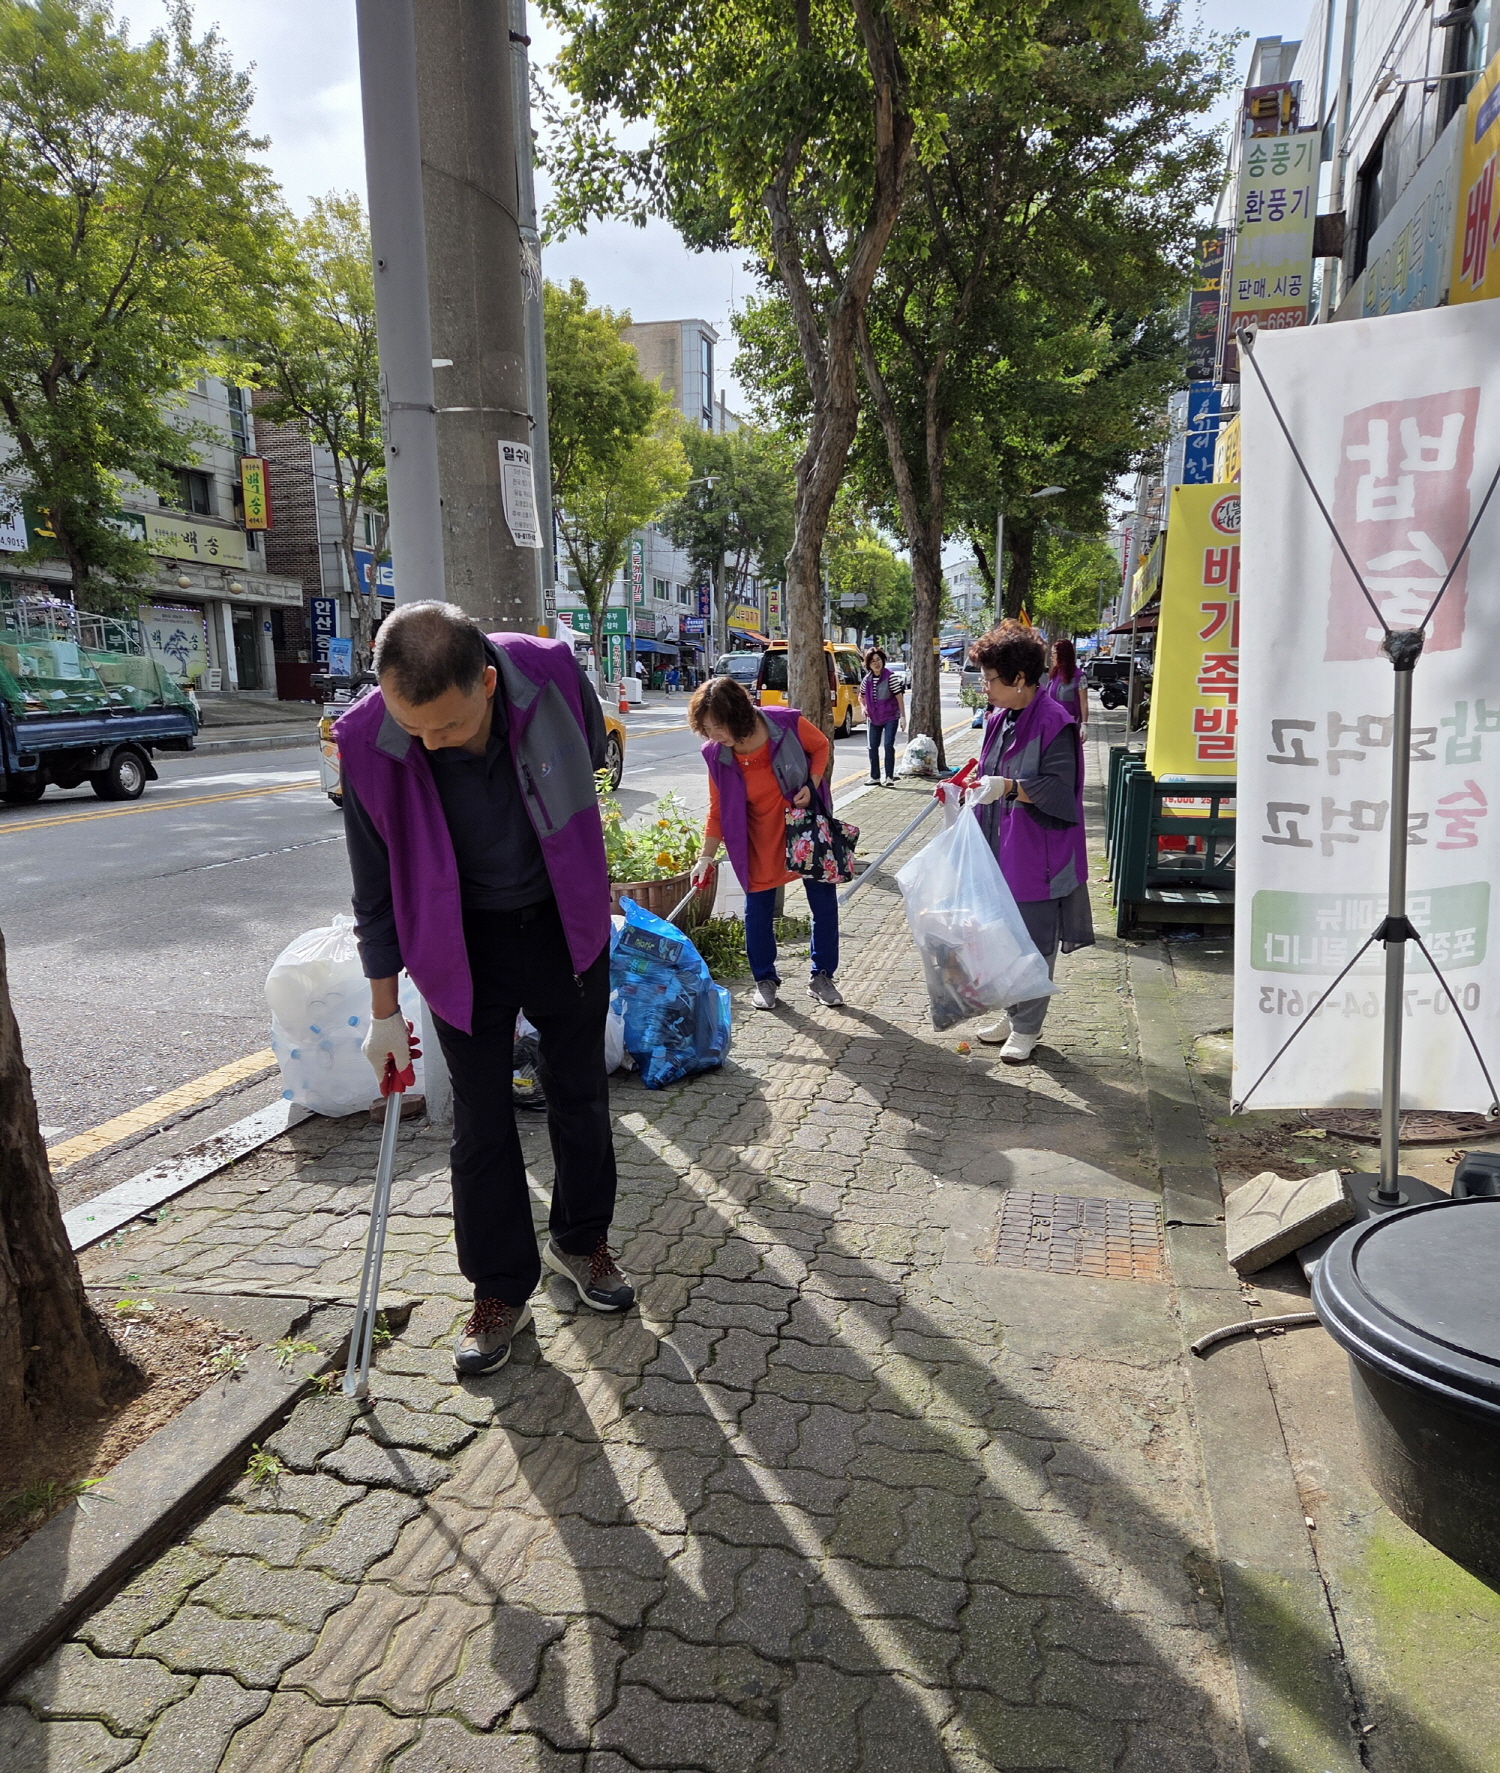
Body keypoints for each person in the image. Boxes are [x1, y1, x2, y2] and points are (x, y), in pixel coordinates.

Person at [337, 602, 635, 1380]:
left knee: (581, 1095)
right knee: (481, 1125)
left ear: (489, 682)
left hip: (562, 919)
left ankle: (579, 1239)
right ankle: (500, 1287)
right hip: (458, 943)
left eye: (449, 728)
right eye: (416, 729)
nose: (430, 745)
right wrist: (382, 1012)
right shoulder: (371, 741)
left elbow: (594, 760)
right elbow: (374, 892)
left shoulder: (552, 674)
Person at [965, 622, 1094, 1062]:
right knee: (1001, 938)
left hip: (1038, 855)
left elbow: (1061, 792)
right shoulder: (999, 718)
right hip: (999, 848)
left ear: (1020, 679)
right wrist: (965, 786)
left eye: (990, 679)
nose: (985, 687)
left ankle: (1028, 1027)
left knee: (1033, 944)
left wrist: (1011, 788)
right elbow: (989, 771)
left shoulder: (1056, 721)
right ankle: (1011, 1012)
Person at [687, 675, 844, 1011]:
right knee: (757, 910)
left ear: (738, 715)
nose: (713, 736)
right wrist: (705, 857)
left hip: (803, 826)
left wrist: (812, 784)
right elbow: (717, 809)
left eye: (717, 727)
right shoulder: (716, 754)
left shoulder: (784, 724)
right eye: (707, 729)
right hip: (756, 836)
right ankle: (765, 979)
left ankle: (822, 976)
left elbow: (820, 747)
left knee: (823, 901)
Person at [860, 646, 905, 784]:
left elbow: (899, 697)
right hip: (873, 717)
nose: (876, 663)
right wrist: (863, 707)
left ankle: (889, 777)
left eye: (878, 659)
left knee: (888, 745)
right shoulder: (867, 679)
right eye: (872, 661)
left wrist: (903, 717)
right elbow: (860, 696)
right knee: (872, 746)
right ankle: (875, 777)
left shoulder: (890, 677)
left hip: (890, 716)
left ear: (883, 660)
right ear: (868, 664)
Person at [1045, 636, 1089, 740]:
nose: (1051, 658)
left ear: (1062, 655)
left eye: (1053, 654)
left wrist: (1084, 725)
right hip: (1051, 725)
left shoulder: (1079, 677)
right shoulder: (1053, 676)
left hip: (1068, 727)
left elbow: (1084, 702)